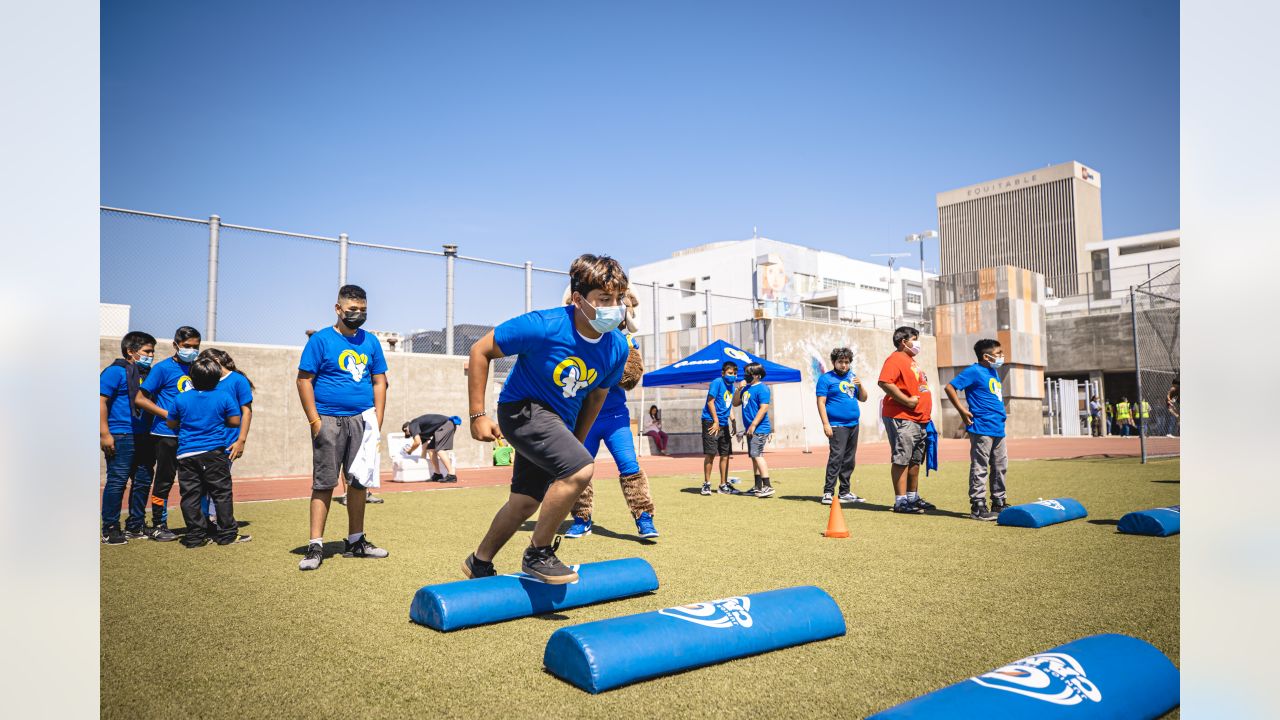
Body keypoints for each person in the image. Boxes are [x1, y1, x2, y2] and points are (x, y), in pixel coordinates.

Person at [461, 254, 630, 584]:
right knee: (580, 469)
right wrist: (477, 416)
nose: (615, 308)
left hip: (557, 422)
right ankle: (538, 553)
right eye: (605, 300)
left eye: (619, 299)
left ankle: (478, 561)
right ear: (579, 300)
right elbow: (480, 351)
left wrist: (576, 441)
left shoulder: (617, 347)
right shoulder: (543, 325)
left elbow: (596, 396)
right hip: (521, 410)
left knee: (524, 502)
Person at [296, 284, 390, 571]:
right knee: (324, 483)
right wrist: (315, 420)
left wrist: (377, 420)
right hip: (328, 419)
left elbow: (379, 381)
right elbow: (303, 380)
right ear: (338, 309)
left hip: (363, 420)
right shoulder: (321, 340)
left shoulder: (371, 341)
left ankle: (356, 540)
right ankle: (316, 545)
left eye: (362, 310)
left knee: (359, 481)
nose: (357, 315)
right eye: (352, 310)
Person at [566, 290, 659, 539]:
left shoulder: (624, 342)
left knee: (629, 466)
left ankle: (644, 517)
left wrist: (619, 351)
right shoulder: (578, 341)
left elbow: (630, 379)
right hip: (585, 418)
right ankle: (581, 517)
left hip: (615, 418)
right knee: (577, 468)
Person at [165, 356, 250, 547]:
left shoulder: (180, 398)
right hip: (214, 452)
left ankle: (195, 536)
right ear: (216, 377)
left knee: (191, 495)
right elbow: (235, 421)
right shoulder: (224, 397)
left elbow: (171, 423)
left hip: (186, 454)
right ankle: (227, 534)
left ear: (191, 377)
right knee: (221, 493)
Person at [133, 326, 202, 542]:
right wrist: (169, 415)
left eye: (195, 347)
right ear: (175, 345)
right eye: (187, 346)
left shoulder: (198, 369)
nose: (191, 350)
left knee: (192, 482)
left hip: (192, 437)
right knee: (163, 481)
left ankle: (196, 525)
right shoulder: (162, 369)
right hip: (166, 435)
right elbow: (140, 399)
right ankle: (158, 525)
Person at [99, 331, 157, 544]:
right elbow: (100, 401)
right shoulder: (115, 372)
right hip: (121, 435)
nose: (151, 355)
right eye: (147, 351)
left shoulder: (149, 374)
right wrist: (104, 434)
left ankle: (135, 525)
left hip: (144, 436)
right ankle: (110, 528)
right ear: (130, 351)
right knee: (118, 481)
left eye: (152, 351)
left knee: (142, 481)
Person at [944, 339, 1009, 521]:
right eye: (998, 353)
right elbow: (950, 387)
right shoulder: (974, 371)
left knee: (1000, 466)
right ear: (986, 356)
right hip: (982, 426)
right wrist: (962, 411)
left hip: (998, 427)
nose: (1001, 356)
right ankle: (978, 505)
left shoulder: (993, 372)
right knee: (980, 466)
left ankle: (999, 501)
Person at [878, 326, 935, 514]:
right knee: (902, 458)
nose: (917, 343)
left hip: (919, 419)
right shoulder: (895, 359)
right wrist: (907, 401)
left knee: (915, 460)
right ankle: (900, 501)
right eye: (914, 338)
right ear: (904, 341)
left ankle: (912, 497)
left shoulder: (911, 360)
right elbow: (885, 382)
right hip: (902, 417)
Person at [197, 348, 254, 525]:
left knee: (218, 484)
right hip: (203, 441)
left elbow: (246, 412)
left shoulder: (237, 380)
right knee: (200, 484)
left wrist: (241, 440)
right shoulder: (205, 380)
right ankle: (202, 520)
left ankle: (216, 519)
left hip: (227, 443)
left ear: (217, 359)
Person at [815, 347, 868, 505]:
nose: (844, 365)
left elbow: (864, 398)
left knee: (849, 460)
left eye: (847, 362)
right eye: (840, 362)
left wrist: (861, 385)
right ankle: (828, 492)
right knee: (836, 458)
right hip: (837, 425)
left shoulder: (852, 377)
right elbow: (821, 402)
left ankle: (844, 492)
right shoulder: (825, 379)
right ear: (834, 362)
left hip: (853, 425)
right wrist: (826, 424)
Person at [733, 362, 774, 498]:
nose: (745, 376)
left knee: (757, 455)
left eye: (748, 374)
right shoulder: (746, 388)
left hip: (759, 428)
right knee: (753, 457)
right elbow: (735, 403)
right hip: (750, 429)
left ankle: (768, 486)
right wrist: (738, 389)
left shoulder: (762, 389)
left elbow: (763, 408)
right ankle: (757, 486)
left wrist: (753, 425)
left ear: (757, 375)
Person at [701, 361, 739, 496]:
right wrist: (716, 421)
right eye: (730, 373)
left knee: (725, 454)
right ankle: (706, 484)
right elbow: (710, 401)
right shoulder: (717, 382)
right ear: (723, 373)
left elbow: (729, 406)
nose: (732, 376)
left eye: (735, 373)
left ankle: (723, 485)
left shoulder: (732, 387)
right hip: (711, 422)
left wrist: (733, 421)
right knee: (711, 454)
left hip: (724, 424)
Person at [402, 414, 461, 482]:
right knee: (430, 449)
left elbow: (417, 442)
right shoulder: (422, 431)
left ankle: (452, 475)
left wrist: (410, 451)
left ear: (406, 429)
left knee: (439, 449)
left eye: (410, 434)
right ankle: (437, 474)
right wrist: (422, 460)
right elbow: (424, 446)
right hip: (444, 426)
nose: (412, 435)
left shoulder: (412, 424)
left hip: (446, 424)